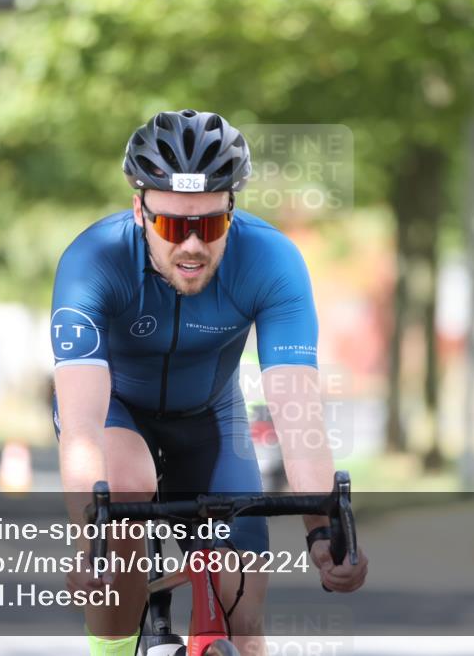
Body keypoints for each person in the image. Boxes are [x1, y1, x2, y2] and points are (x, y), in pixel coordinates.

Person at [51, 109, 367, 656]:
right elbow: (80, 426)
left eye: (211, 225)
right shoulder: (93, 260)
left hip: (210, 418)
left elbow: (298, 416)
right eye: (173, 225)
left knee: (242, 616)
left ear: (231, 211)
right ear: (140, 209)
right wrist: (88, 545)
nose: (192, 246)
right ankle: (113, 643)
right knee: (125, 485)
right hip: (116, 412)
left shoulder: (272, 260)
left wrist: (323, 533)